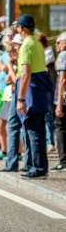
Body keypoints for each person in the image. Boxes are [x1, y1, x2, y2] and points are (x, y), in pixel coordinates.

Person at [1, 14, 52, 179]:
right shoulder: (36, 42)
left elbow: (25, 74)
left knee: (33, 130)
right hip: (39, 89)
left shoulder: (26, 46)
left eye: (17, 26)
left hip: (31, 90)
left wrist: (21, 99)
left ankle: (38, 168)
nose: (16, 29)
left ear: (21, 28)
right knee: (36, 130)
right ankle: (35, 166)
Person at [52, 31, 66, 172]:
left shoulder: (63, 55)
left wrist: (59, 104)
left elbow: (62, 80)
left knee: (60, 128)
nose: (56, 45)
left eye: (58, 42)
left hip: (63, 98)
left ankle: (63, 161)